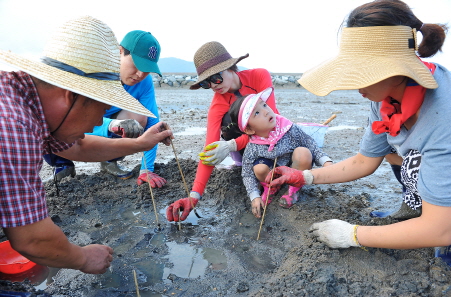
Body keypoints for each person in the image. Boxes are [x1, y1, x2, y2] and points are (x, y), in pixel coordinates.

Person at [265, 0, 451, 257]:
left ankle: (430, 219)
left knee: (441, 241)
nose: (356, 84)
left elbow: (440, 230)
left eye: (364, 72)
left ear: (397, 68)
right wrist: (306, 176)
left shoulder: (443, 114)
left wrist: (353, 234)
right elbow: (364, 161)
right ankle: (415, 209)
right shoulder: (385, 96)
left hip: (444, 218)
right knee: (391, 145)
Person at [0, 16, 173, 274]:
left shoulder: (29, 102)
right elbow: (32, 238)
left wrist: (140, 144)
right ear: (71, 95)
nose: (97, 122)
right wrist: (81, 257)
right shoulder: (13, 126)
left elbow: (80, 148)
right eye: (101, 108)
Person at [166, 41, 279, 222]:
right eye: (205, 83)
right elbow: (208, 152)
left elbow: (272, 125)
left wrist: (230, 145)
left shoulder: (259, 76)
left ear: (230, 68)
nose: (213, 85)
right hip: (247, 150)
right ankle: (242, 162)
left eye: (216, 78)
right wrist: (194, 196)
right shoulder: (217, 104)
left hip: (272, 141)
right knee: (228, 120)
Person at [43, 30, 167, 188]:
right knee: (53, 120)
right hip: (74, 123)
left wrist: (146, 169)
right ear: (120, 51)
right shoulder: (95, 72)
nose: (140, 74)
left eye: (147, 69)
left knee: (141, 118)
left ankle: (109, 159)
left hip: (107, 125)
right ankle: (62, 163)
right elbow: (73, 119)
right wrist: (110, 126)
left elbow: (153, 125)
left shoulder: (144, 82)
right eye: (137, 65)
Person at [225, 87, 332, 218]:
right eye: (256, 113)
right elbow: (247, 173)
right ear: (249, 130)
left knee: (304, 152)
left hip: (293, 169)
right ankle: (271, 188)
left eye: (264, 105)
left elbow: (310, 143)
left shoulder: (289, 128)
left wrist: (325, 161)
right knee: (258, 168)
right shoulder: (253, 146)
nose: (265, 111)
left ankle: (293, 189)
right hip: (272, 172)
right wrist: (254, 196)